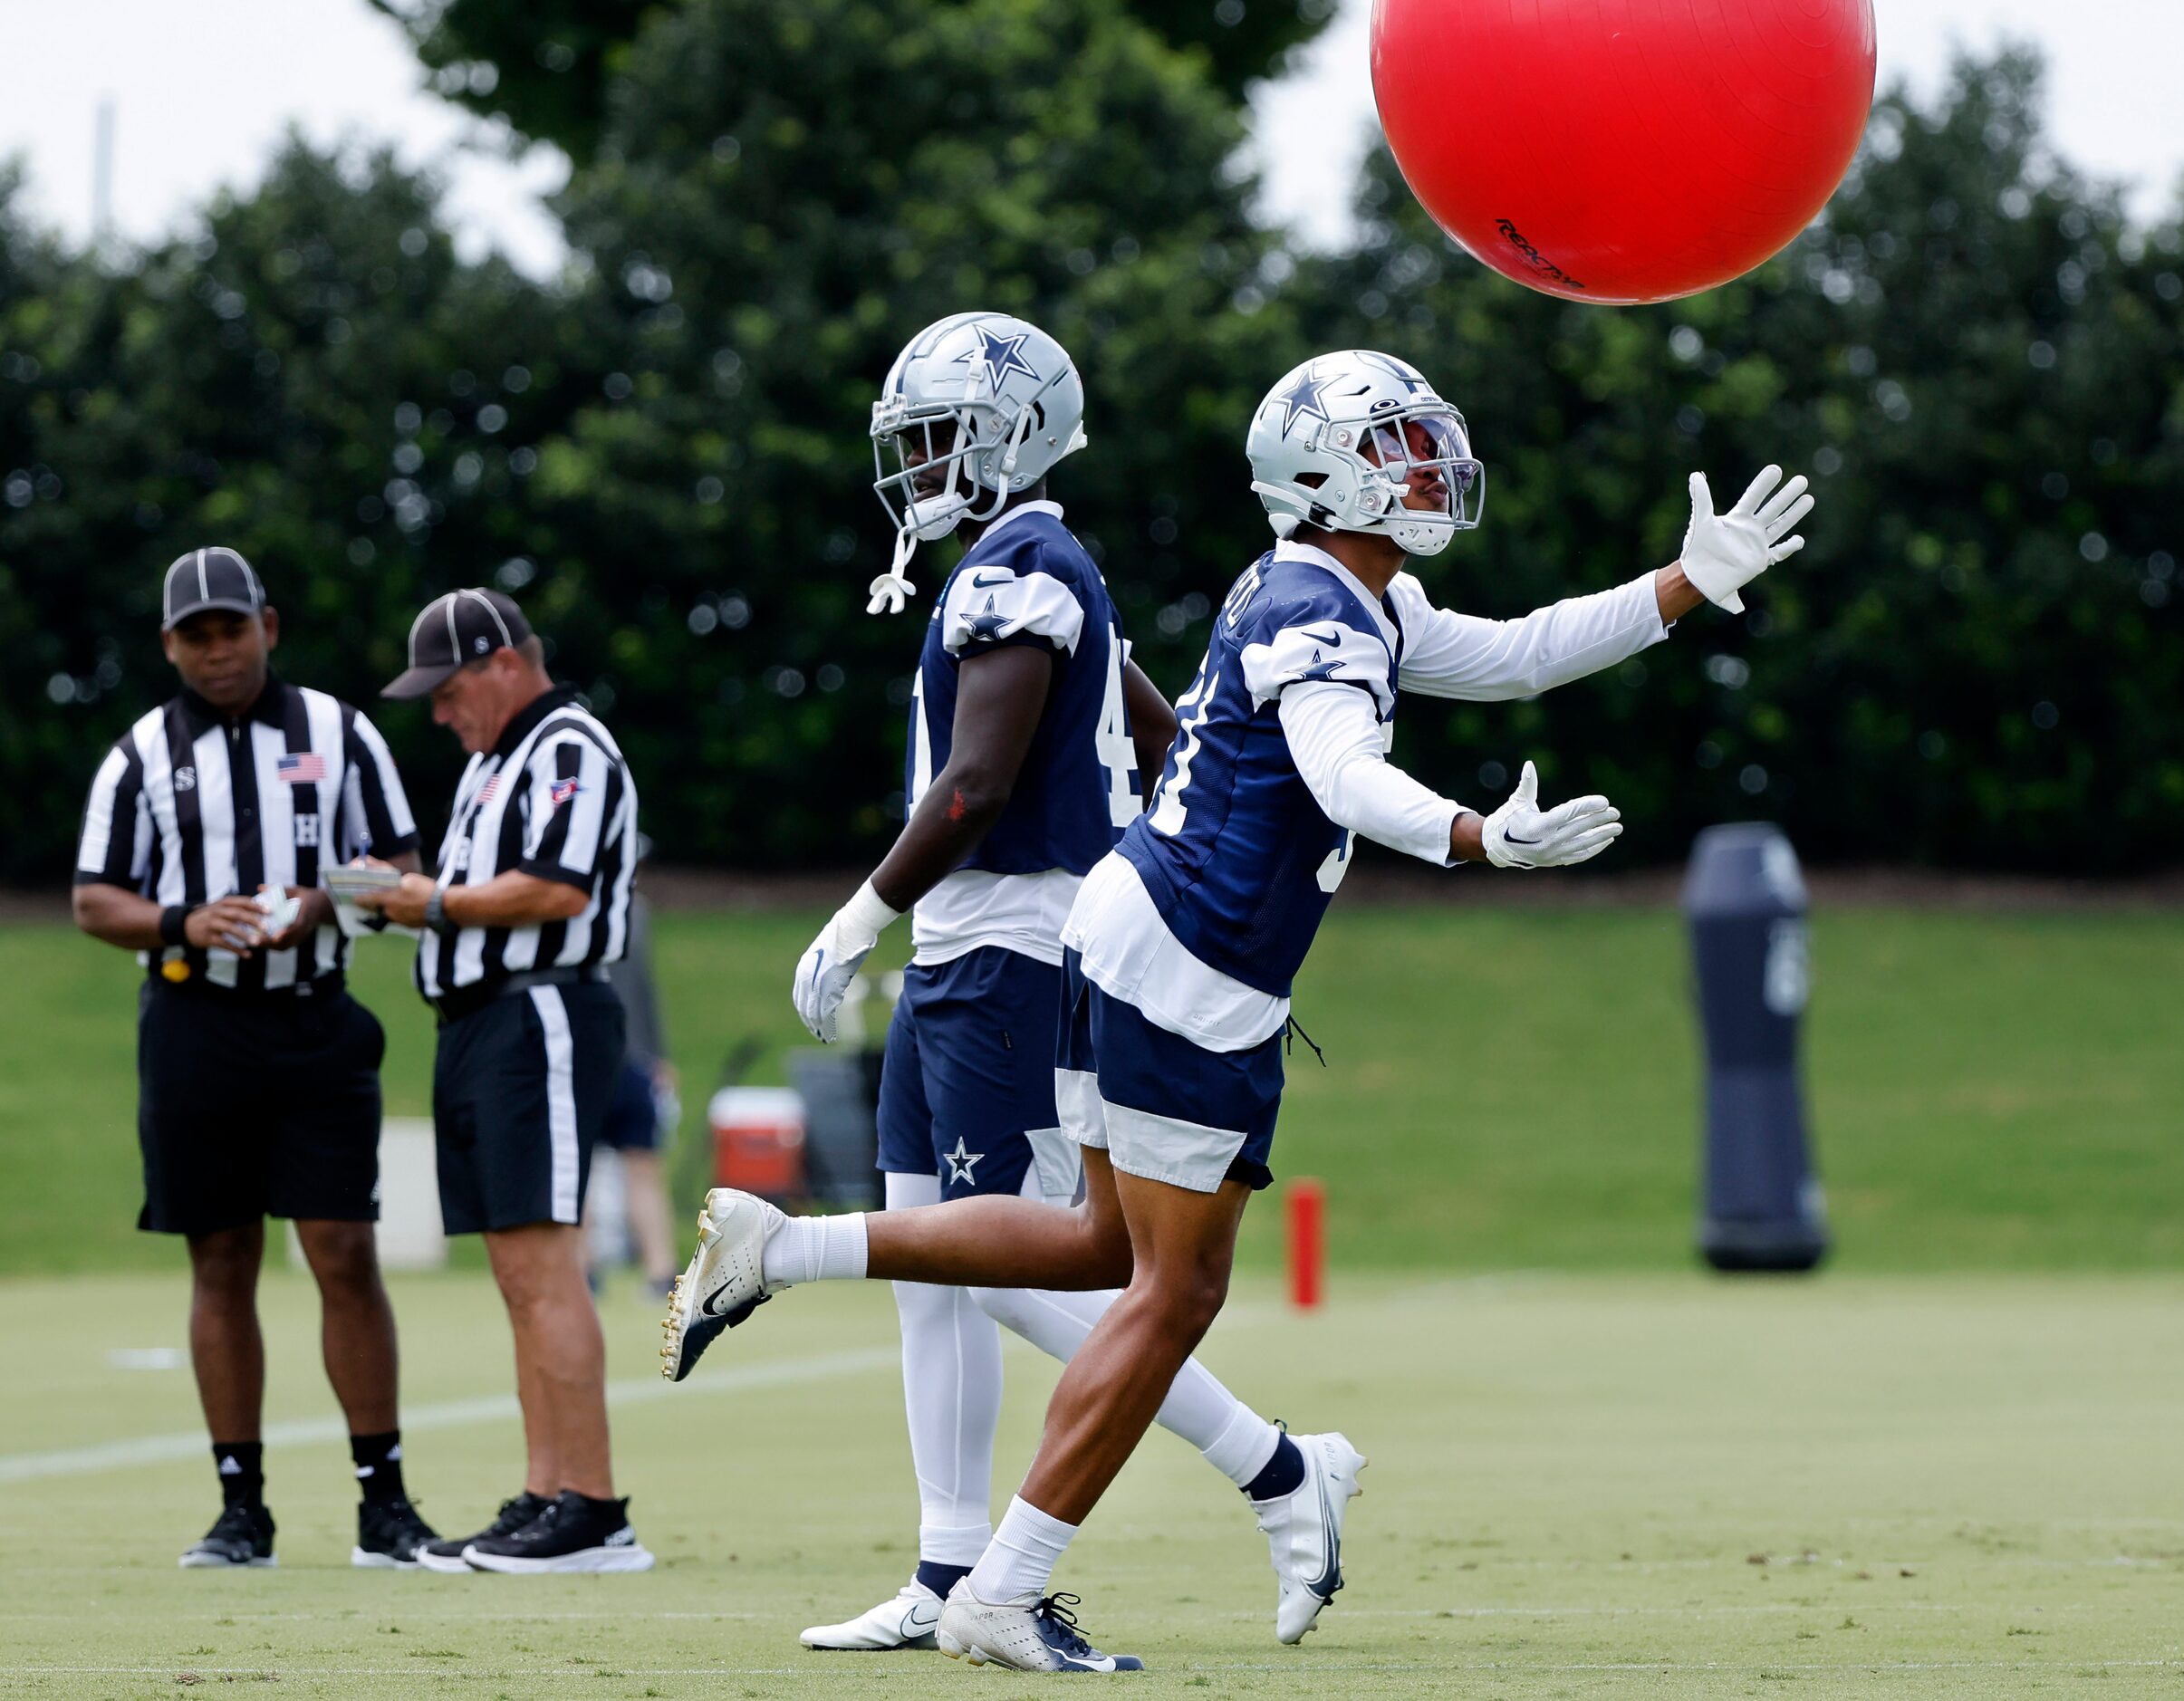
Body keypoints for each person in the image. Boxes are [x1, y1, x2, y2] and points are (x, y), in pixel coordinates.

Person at [662, 347, 1816, 1668]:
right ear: (1324, 473)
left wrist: (1680, 588)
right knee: (1173, 1288)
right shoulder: (1320, 616)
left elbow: (1512, 656)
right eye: (1393, 443)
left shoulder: (1337, 591)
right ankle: (1006, 1580)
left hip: (1124, 931)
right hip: (1187, 969)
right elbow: (1340, 772)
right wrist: (1469, 837)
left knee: (1103, 1248)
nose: (1423, 463)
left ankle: (787, 1250)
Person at [663, 312, 1362, 1665]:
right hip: (965, 958)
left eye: (938, 438)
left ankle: (1280, 1468)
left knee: (1025, 1266)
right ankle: (941, 1569)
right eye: (909, 443)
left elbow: (978, 781)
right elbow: (1157, 723)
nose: (917, 465)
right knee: (938, 1277)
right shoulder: (1031, 568)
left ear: (1014, 435)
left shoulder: (1023, 566)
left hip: (1017, 952)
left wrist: (863, 905)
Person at [71, 546, 438, 1570]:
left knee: (343, 1251)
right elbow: (96, 900)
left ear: (268, 626)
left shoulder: (339, 731)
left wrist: (316, 904)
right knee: (219, 1259)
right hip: (195, 1028)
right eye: (196, 634)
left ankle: (385, 1503)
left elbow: (402, 868)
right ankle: (242, 1509)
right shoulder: (141, 753)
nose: (218, 649)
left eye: (232, 628)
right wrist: (189, 921)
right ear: (168, 645)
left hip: (315, 1020)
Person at [352, 587, 652, 1574]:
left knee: (543, 1262)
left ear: (500, 662)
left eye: (444, 690)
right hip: (485, 1022)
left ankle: (596, 1509)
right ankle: (546, 1490)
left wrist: (423, 899)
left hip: (541, 1009)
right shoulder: (496, 762)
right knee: (516, 1272)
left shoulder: (567, 745)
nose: (438, 713)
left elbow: (552, 886)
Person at [591, 876, 681, 1296]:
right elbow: (643, 990)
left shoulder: (566, 900)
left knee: (579, 1171)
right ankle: (659, 1272)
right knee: (642, 1168)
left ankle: (586, 1272)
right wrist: (656, 1054)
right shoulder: (634, 909)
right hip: (627, 1054)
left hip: (584, 1055)